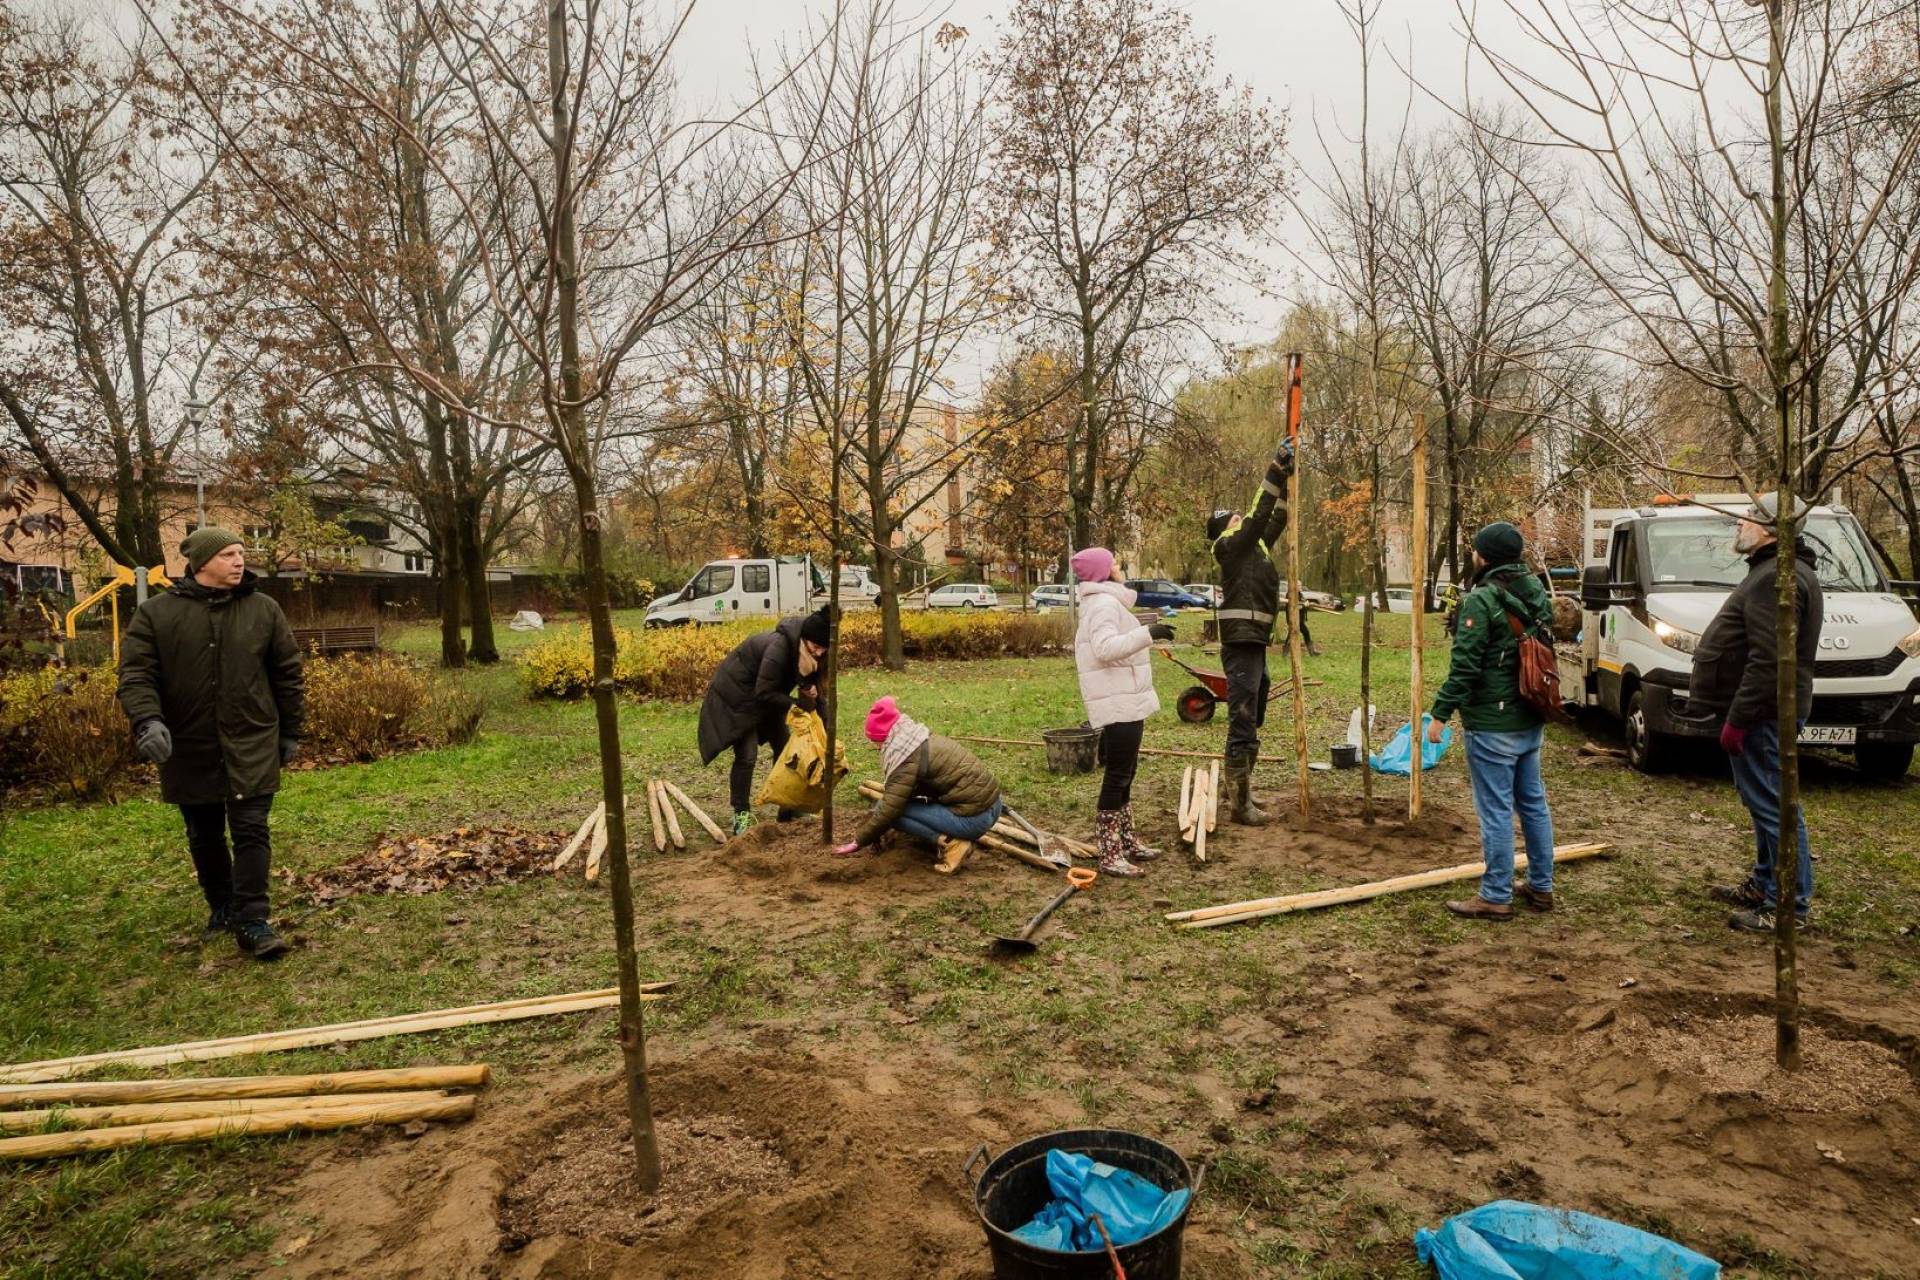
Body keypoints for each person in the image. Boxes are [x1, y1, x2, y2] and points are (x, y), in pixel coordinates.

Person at [117, 527, 304, 959]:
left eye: (241, 553)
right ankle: (222, 905)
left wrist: (291, 730)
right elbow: (136, 674)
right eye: (228, 555)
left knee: (251, 829)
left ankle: (253, 920)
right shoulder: (156, 615)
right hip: (188, 743)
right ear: (201, 563)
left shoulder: (264, 610)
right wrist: (147, 721)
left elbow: (288, 674)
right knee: (204, 833)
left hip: (252, 738)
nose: (239, 561)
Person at [1688, 494, 1821, 932]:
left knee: (1775, 807)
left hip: (1765, 714)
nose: (1738, 524)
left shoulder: (1776, 579)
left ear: (1768, 527)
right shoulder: (1777, 571)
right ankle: (1766, 884)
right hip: (1765, 711)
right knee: (1764, 801)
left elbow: (1768, 661)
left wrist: (1739, 718)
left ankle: (1788, 907)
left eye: (1746, 517)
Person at [1424, 521, 1557, 922]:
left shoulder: (1480, 600)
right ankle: (1540, 885)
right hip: (1530, 713)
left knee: (1496, 809)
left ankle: (1496, 895)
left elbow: (1465, 666)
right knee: (1533, 804)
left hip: (1493, 723)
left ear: (1484, 557)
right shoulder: (1537, 591)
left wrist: (1440, 714)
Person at [1070, 546, 1176, 877]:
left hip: (1125, 696)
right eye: (1113, 562)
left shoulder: (1106, 601)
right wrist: (1148, 634)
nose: (1119, 566)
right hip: (1118, 701)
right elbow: (1104, 649)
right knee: (1117, 774)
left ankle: (1127, 840)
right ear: (1103, 571)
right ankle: (1110, 852)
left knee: (1126, 771)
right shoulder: (1102, 604)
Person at [1205, 440, 1295, 825]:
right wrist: (1275, 468)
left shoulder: (1254, 546)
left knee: (1254, 711)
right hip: (1241, 641)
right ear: (1225, 532)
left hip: (1255, 640)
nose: (1241, 520)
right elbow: (1259, 516)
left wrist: (1289, 483)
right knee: (1243, 718)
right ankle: (1241, 804)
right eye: (1234, 519)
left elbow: (1275, 519)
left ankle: (1237, 785)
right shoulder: (1230, 547)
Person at [697, 605, 831, 835]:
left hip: (767, 697)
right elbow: (763, 692)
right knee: (747, 755)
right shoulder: (779, 648)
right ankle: (741, 814)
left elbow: (818, 699)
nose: (819, 653)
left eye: (823, 649)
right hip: (737, 698)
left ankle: (788, 808)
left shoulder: (810, 657)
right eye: (816, 647)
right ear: (805, 640)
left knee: (786, 749)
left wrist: (826, 732)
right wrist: (796, 704)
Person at [834, 696, 1004, 872]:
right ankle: (947, 838)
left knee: (892, 813)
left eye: (874, 740)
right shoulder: (918, 738)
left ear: (883, 737)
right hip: (994, 805)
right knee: (891, 808)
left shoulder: (904, 758)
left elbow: (889, 810)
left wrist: (859, 841)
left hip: (974, 820)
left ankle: (954, 844)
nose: (875, 746)